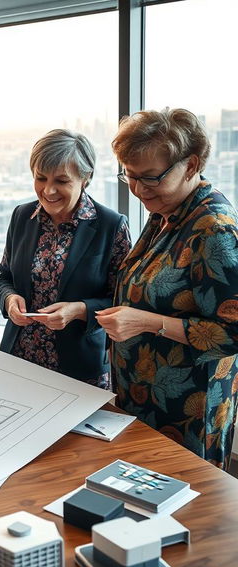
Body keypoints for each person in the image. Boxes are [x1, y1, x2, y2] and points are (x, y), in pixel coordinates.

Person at [96, 108, 238, 470]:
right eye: (130, 176)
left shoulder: (213, 231)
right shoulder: (166, 210)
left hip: (187, 408)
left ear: (190, 166)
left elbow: (234, 333)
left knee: (182, 506)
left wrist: (148, 322)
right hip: (147, 396)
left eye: (151, 178)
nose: (139, 189)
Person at [0, 129, 131, 388]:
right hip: (20, 358)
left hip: (80, 368)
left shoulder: (111, 226)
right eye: (41, 178)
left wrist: (79, 310)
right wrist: (10, 299)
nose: (49, 190)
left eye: (62, 181)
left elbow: (123, 300)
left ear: (85, 178)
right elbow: (4, 277)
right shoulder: (22, 216)